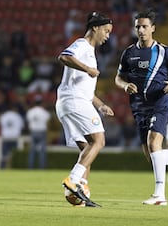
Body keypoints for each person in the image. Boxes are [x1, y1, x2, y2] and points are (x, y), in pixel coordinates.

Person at [114, 8, 168, 206]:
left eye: (144, 26)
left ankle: (160, 195)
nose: (141, 30)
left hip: (160, 101)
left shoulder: (164, 51)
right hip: (138, 105)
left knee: (154, 144)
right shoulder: (129, 53)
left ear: (153, 28)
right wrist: (125, 85)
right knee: (152, 156)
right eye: (138, 27)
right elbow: (118, 78)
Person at [56, 12, 114, 207]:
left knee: (86, 149)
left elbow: (88, 92)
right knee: (99, 140)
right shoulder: (82, 45)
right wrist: (87, 69)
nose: (107, 35)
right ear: (95, 28)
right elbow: (63, 57)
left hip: (70, 101)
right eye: (106, 31)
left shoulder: (90, 51)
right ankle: (73, 180)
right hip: (74, 101)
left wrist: (101, 105)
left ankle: (79, 190)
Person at [26, 95, 51, 169]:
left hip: (33, 131)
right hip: (42, 131)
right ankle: (42, 167)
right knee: (42, 151)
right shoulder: (44, 112)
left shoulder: (30, 111)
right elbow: (48, 121)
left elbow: (28, 121)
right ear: (41, 103)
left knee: (32, 150)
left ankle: (30, 167)